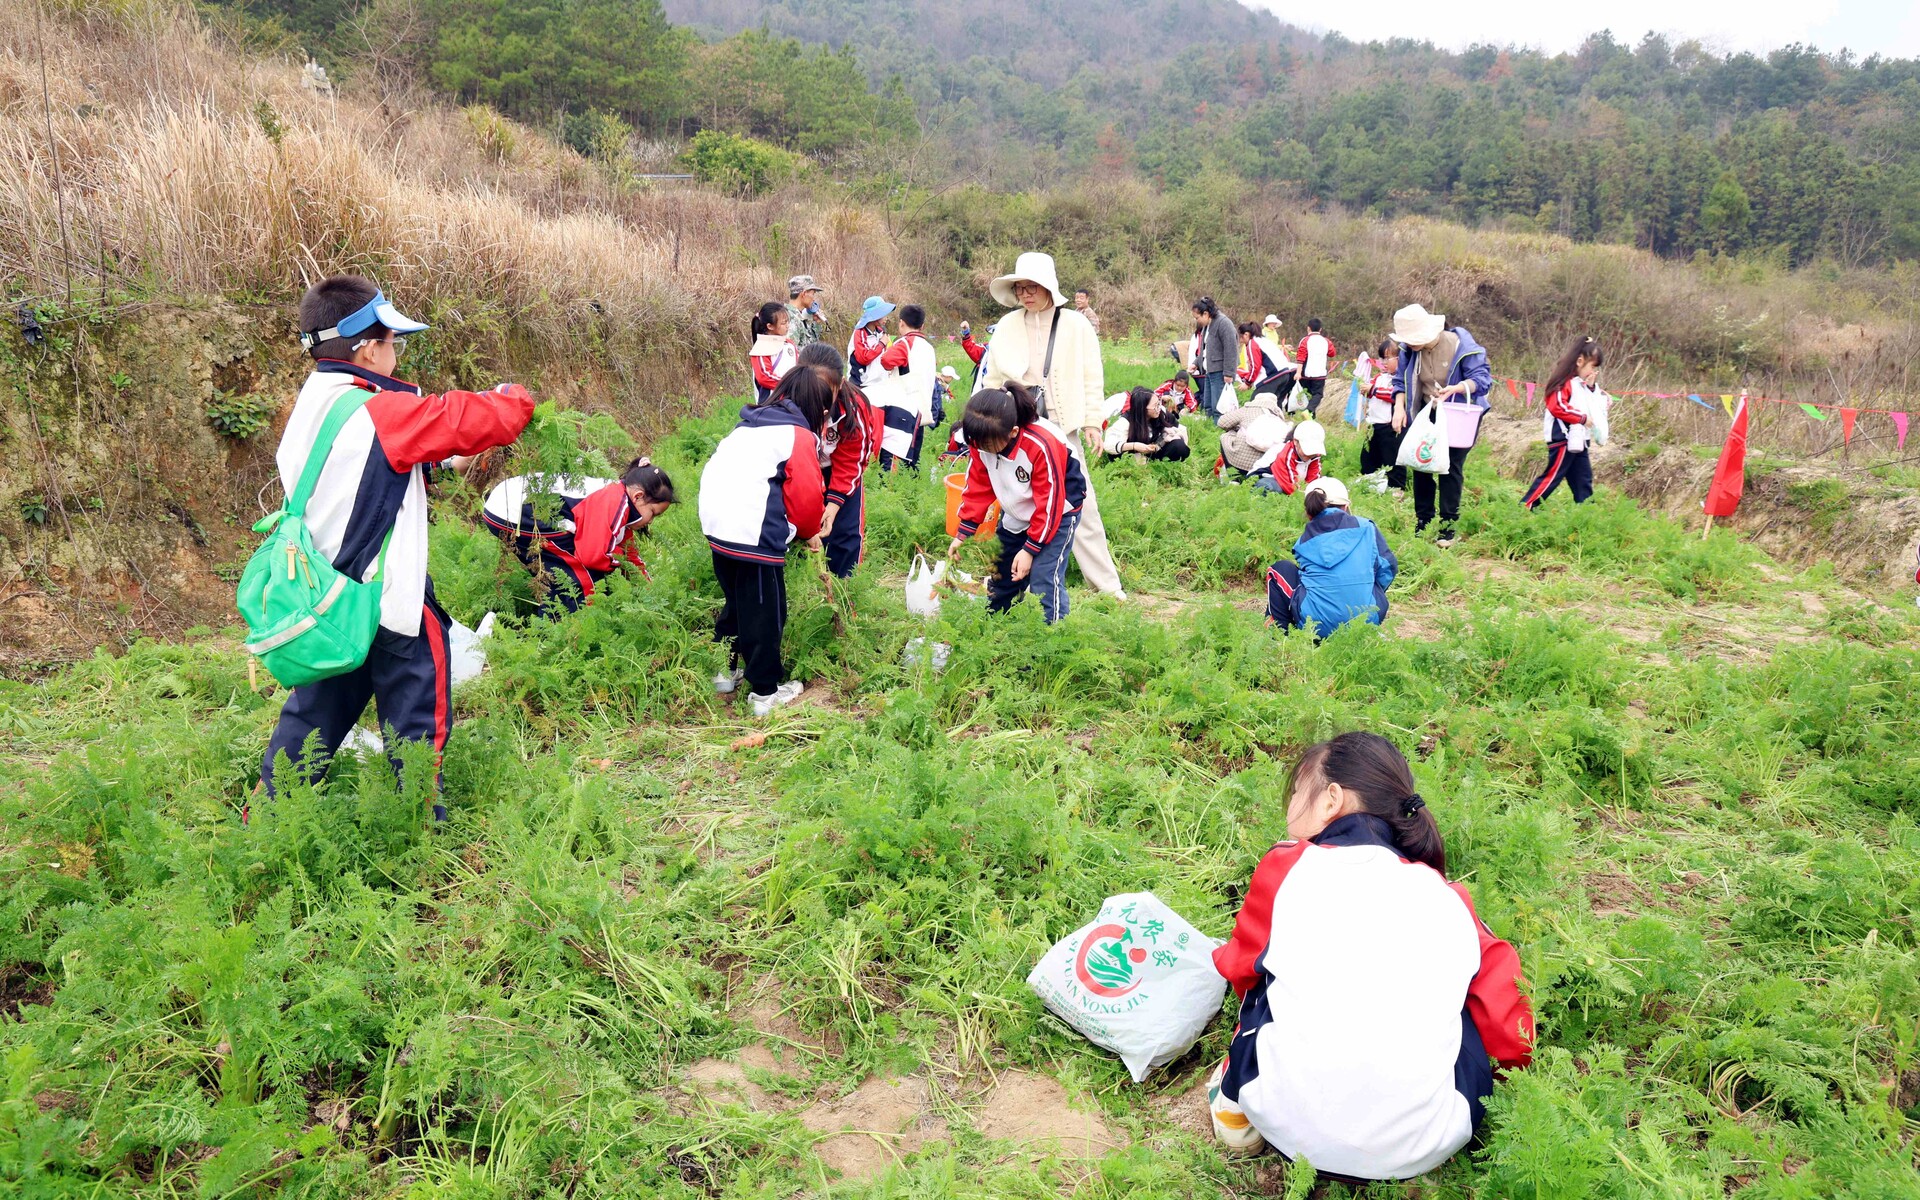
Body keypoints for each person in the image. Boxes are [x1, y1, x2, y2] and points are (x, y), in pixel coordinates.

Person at [260, 275, 534, 822]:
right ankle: (418, 823)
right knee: (415, 718)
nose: (394, 354)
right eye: (392, 343)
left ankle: (268, 820)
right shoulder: (380, 411)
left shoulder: (316, 402)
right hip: (389, 601)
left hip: (331, 599)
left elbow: (365, 468)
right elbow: (487, 416)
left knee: (311, 717)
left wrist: (442, 459)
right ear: (366, 346)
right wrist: (513, 396)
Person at [1207, 732, 1534, 1180]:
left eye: (1298, 791)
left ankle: (1234, 1108)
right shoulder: (1450, 898)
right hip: (1426, 1146)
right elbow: (1512, 1030)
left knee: (1263, 980)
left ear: (1331, 800)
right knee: (1465, 1003)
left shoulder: (1289, 866)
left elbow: (1238, 968)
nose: (1289, 808)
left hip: (1284, 1123)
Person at [974, 251, 1125, 600]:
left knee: (1080, 502)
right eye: (1021, 288)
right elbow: (992, 378)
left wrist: (1092, 421)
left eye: (1034, 287)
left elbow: (1091, 374)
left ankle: (1106, 586)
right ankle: (1014, 581)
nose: (1027, 294)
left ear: (1049, 288)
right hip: (1017, 428)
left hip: (1061, 424)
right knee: (1018, 502)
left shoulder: (1075, 323)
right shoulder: (1009, 325)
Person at [698, 367, 828, 716]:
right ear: (817, 407)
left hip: (716, 522)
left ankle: (725, 672)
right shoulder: (797, 434)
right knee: (765, 612)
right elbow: (806, 496)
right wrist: (808, 530)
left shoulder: (749, 424)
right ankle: (765, 692)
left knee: (736, 603)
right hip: (752, 531)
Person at [947, 384, 1088, 624]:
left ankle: (1052, 641)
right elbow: (978, 486)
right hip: (1018, 511)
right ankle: (996, 629)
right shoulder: (982, 441)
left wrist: (1030, 549)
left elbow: (1049, 503)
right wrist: (963, 534)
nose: (981, 450)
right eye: (976, 444)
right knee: (1003, 574)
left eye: (987, 446)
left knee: (1043, 579)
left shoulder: (1041, 444)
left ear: (1012, 432)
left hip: (1057, 513)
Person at [481, 459, 674, 616]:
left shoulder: (619, 502)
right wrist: (618, 563)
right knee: (582, 581)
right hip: (516, 511)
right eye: (654, 513)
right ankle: (561, 637)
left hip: (504, 507)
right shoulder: (615, 502)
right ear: (638, 497)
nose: (651, 521)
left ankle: (549, 626)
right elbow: (592, 556)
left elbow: (628, 554)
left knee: (559, 576)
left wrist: (651, 592)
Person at [1391, 303, 1494, 547]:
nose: (1409, 344)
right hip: (1427, 413)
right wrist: (1398, 408)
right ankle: (1423, 522)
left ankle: (1448, 527)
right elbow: (1400, 381)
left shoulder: (1461, 346)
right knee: (1422, 463)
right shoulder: (1410, 351)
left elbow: (1482, 380)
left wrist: (1456, 389)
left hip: (1457, 415)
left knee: (1450, 468)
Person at [1263, 477, 1395, 637]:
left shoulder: (1304, 541)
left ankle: (1280, 637)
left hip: (1316, 626)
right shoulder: (1367, 527)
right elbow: (1388, 568)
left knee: (1279, 569)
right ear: (1346, 506)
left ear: (1309, 512)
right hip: (1368, 618)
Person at [792, 343, 878, 579]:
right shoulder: (786, 400)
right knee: (797, 534)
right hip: (800, 472)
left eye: (824, 393)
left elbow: (853, 459)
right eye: (810, 391)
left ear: (839, 385)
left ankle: (845, 594)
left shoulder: (854, 408)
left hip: (839, 473)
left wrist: (833, 504)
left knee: (845, 534)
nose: (817, 403)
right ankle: (803, 593)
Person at [1523, 336, 1605, 510]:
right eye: (1592, 366)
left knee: (1583, 479)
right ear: (1580, 361)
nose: (1593, 371)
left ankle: (1587, 515)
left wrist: (1591, 388)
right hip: (1563, 437)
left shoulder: (1581, 384)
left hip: (1580, 440)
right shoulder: (1564, 382)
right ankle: (1526, 506)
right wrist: (1581, 418)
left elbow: (1587, 404)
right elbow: (1557, 406)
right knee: (1553, 476)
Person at [875, 303, 937, 471]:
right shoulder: (929, 348)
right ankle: (912, 490)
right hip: (921, 410)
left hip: (901, 411)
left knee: (891, 462)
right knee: (912, 459)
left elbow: (886, 361)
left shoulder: (904, 343)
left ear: (901, 323)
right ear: (922, 326)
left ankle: (888, 491)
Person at [1360, 339, 1407, 491]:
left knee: (1392, 458)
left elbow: (1394, 395)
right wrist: (1366, 390)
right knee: (1368, 456)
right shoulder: (1379, 377)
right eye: (1382, 358)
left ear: (1400, 359)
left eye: (1388, 358)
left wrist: (1373, 390)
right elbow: (1372, 392)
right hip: (1373, 425)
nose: (1384, 362)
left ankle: (1396, 488)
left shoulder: (1400, 379)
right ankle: (1369, 482)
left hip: (1389, 427)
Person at [1216, 392, 1292, 481]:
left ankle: (1233, 477)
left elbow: (1222, 422)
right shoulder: (1278, 416)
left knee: (1226, 436)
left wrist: (1237, 429)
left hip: (1239, 460)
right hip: (1262, 466)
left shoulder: (1247, 410)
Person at [1107, 386, 1190, 461]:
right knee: (1115, 455)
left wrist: (1169, 437)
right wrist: (1134, 446)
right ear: (1142, 408)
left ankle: (1162, 465)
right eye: (1155, 406)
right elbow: (1109, 445)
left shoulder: (1161, 412)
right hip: (1133, 454)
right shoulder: (1126, 421)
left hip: (1156, 452)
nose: (1159, 407)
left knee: (1179, 446)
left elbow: (1181, 429)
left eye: (1159, 403)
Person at [1190, 297, 1237, 423]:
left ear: (1205, 314)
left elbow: (1231, 349)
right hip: (1209, 371)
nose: (1197, 321)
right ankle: (1209, 427)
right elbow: (1205, 349)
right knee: (1208, 405)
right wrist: (1196, 363)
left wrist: (1229, 373)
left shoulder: (1224, 323)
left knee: (1219, 407)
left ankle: (1219, 430)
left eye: (1197, 317)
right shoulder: (1208, 325)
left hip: (1220, 372)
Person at [1259, 418, 1325, 496]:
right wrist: (1304, 497)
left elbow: (1314, 479)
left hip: (1290, 481)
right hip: (1267, 478)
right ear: (1296, 441)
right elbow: (1289, 483)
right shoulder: (1286, 453)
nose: (1309, 455)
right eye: (1306, 451)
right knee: (1273, 489)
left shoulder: (1315, 456)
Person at [749, 301, 797, 402]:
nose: (787, 326)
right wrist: (790, 386)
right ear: (770, 326)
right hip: (770, 405)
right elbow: (764, 377)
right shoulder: (761, 348)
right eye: (783, 323)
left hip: (792, 400)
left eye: (788, 321)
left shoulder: (789, 344)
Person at [1236, 322, 1294, 403]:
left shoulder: (1252, 343)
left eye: (1239, 336)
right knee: (1274, 404)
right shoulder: (1263, 340)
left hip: (1274, 376)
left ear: (1246, 334)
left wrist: (1247, 383)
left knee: (1256, 402)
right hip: (1285, 373)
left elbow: (1255, 366)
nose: (1239, 340)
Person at [846, 295, 894, 392]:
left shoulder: (880, 332)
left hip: (879, 384)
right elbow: (864, 357)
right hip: (862, 385)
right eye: (883, 314)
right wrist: (881, 344)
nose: (886, 318)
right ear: (875, 315)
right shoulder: (859, 332)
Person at [1294, 318, 1337, 417]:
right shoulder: (1326, 341)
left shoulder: (1305, 340)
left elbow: (1300, 358)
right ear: (1320, 329)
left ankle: (1310, 415)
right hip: (1320, 374)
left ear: (1308, 328)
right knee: (1317, 395)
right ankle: (1309, 411)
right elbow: (1332, 353)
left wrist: (1298, 373)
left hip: (1306, 373)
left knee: (1307, 394)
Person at [785, 275, 829, 348]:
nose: (813, 299)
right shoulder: (790, 319)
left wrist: (816, 322)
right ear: (804, 294)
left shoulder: (799, 317)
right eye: (813, 294)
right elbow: (791, 353)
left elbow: (810, 346)